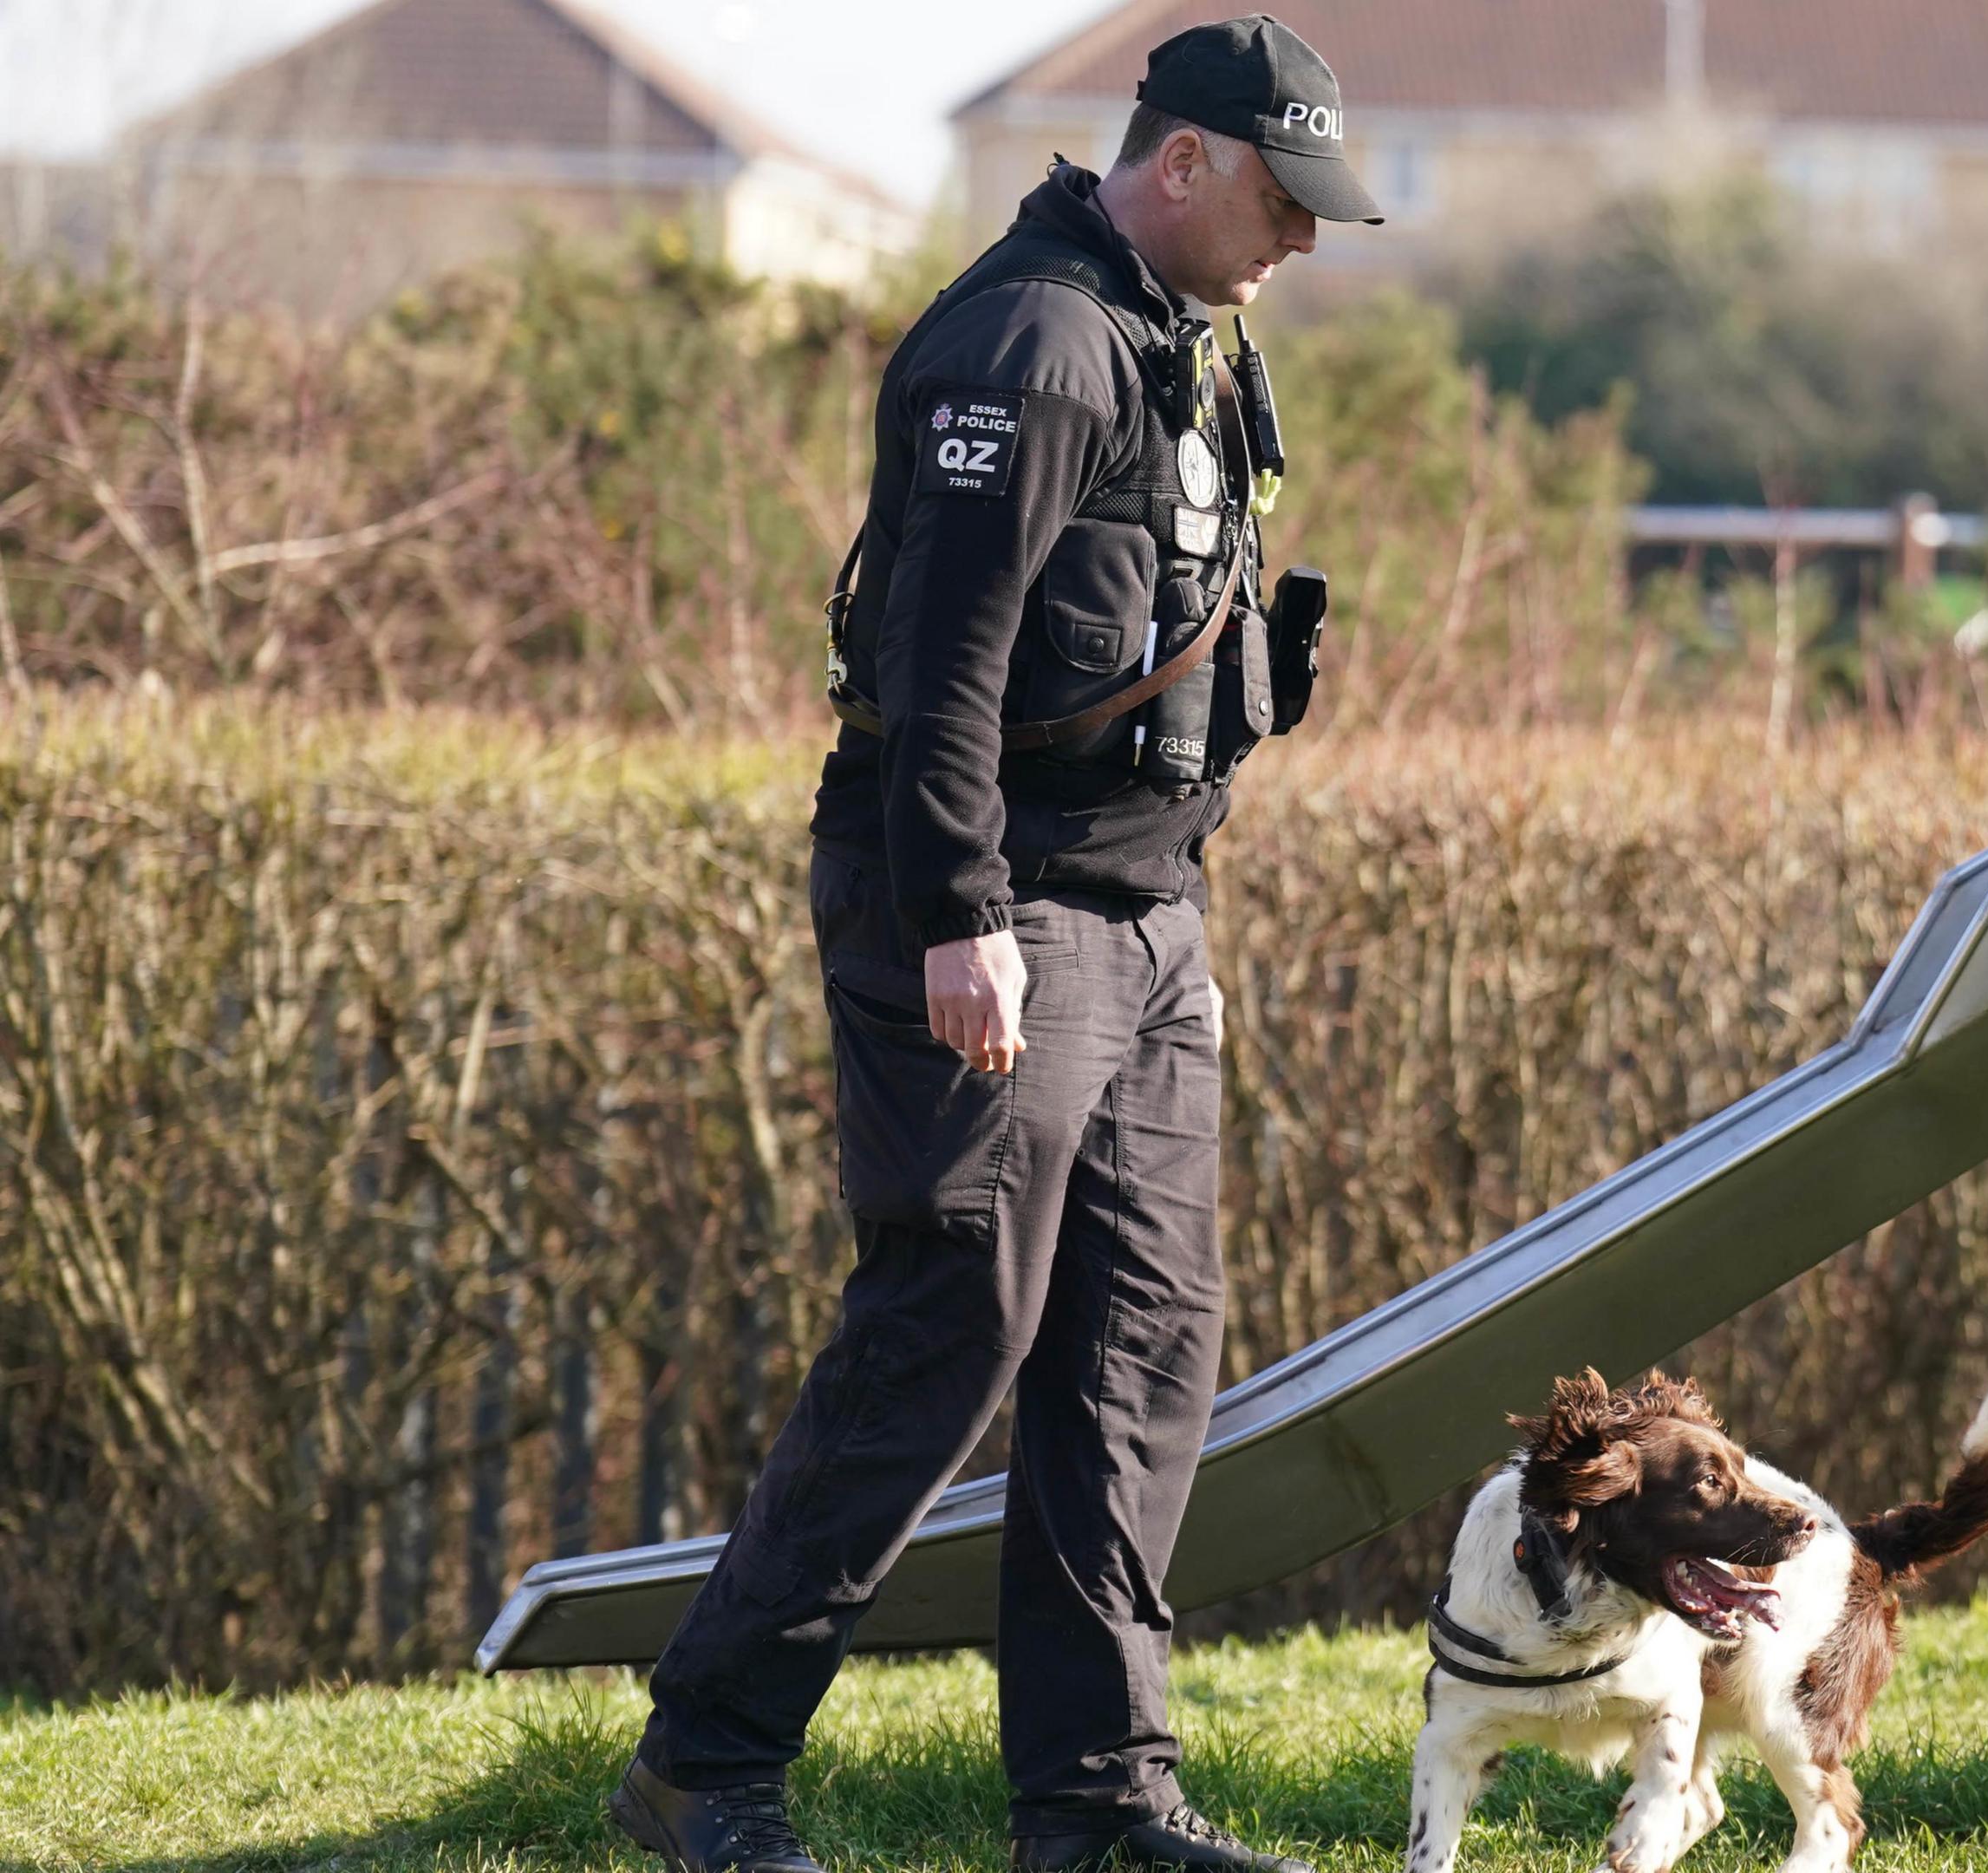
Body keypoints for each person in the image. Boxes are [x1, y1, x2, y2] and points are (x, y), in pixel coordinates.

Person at [603, 17, 1378, 1873]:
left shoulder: (1186, 336)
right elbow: (935, 664)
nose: (1302, 239)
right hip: (988, 903)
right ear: (1179, 160)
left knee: (1138, 1350)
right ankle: (703, 1765)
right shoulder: (1027, 344)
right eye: (1283, 198)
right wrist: (961, 918)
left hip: (1145, 914)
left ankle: (1099, 1806)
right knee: (955, 1319)